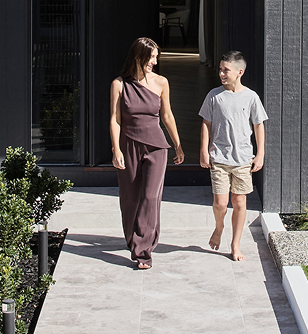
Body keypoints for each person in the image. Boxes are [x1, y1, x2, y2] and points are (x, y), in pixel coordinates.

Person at [110, 36, 184, 270]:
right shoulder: (119, 84)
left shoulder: (161, 82)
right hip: (129, 144)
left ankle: (143, 251)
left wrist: (178, 144)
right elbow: (115, 119)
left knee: (151, 198)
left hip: (156, 147)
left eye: (156, 57)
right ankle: (134, 240)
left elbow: (167, 116)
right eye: (151, 57)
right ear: (138, 56)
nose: (155, 61)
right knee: (130, 199)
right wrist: (116, 149)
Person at [197, 50, 267, 262]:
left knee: (239, 202)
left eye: (225, 70)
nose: (221, 73)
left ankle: (235, 244)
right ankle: (219, 227)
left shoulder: (251, 97)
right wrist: (203, 151)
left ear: (239, 72)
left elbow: (258, 126)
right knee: (220, 203)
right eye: (220, 69)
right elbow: (206, 124)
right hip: (219, 158)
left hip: (243, 160)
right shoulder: (214, 96)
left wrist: (260, 153)